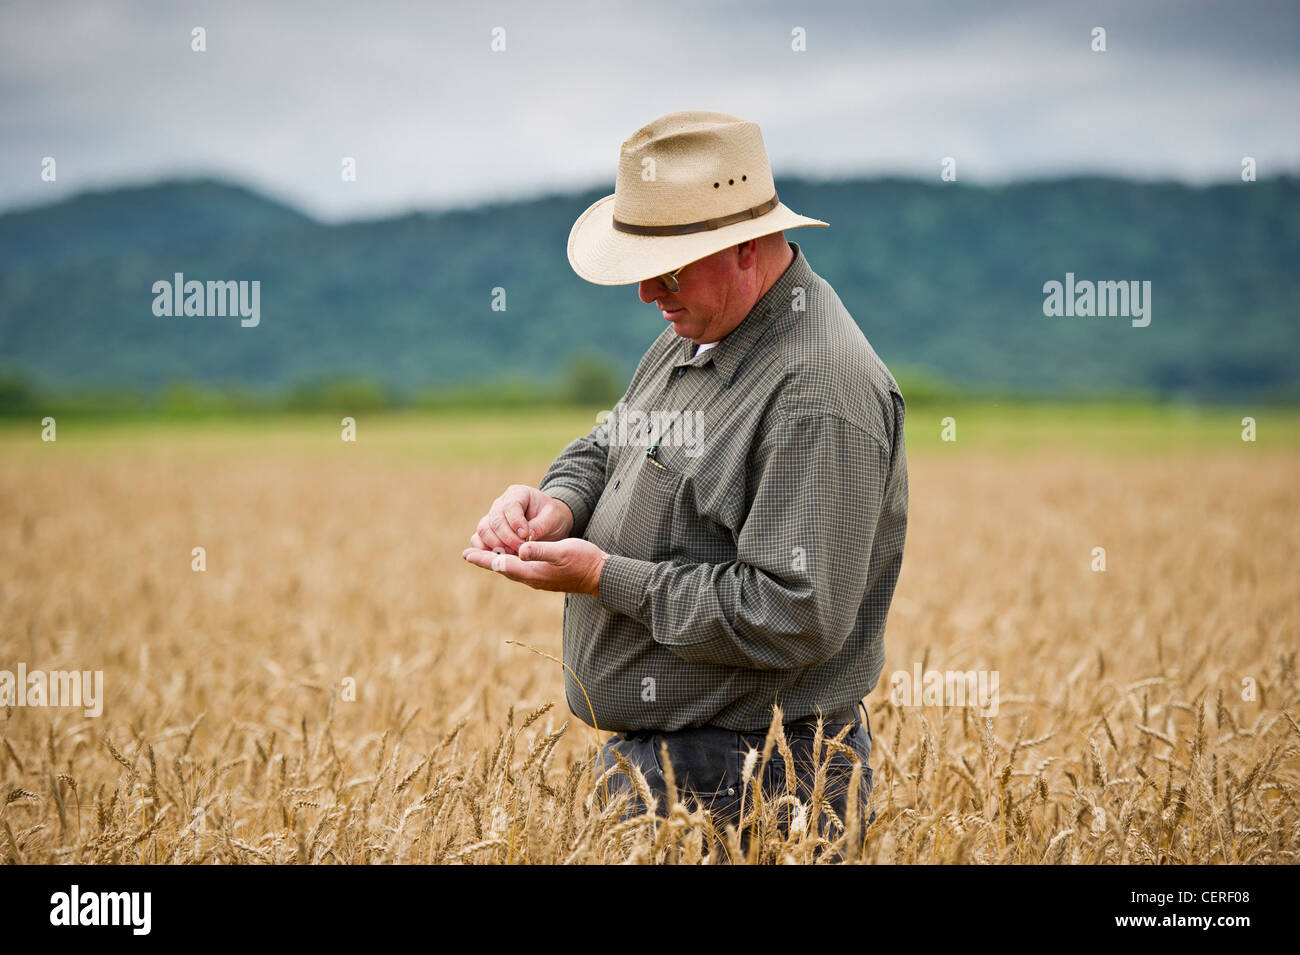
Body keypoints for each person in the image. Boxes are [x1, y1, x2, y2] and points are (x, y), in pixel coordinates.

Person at [462, 110, 908, 850]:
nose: (646, 294)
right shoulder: (698, 325)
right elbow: (610, 442)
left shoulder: (818, 393)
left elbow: (794, 611)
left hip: (762, 781)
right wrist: (556, 502)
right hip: (678, 768)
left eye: (666, 269)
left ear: (740, 249)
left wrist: (606, 576)